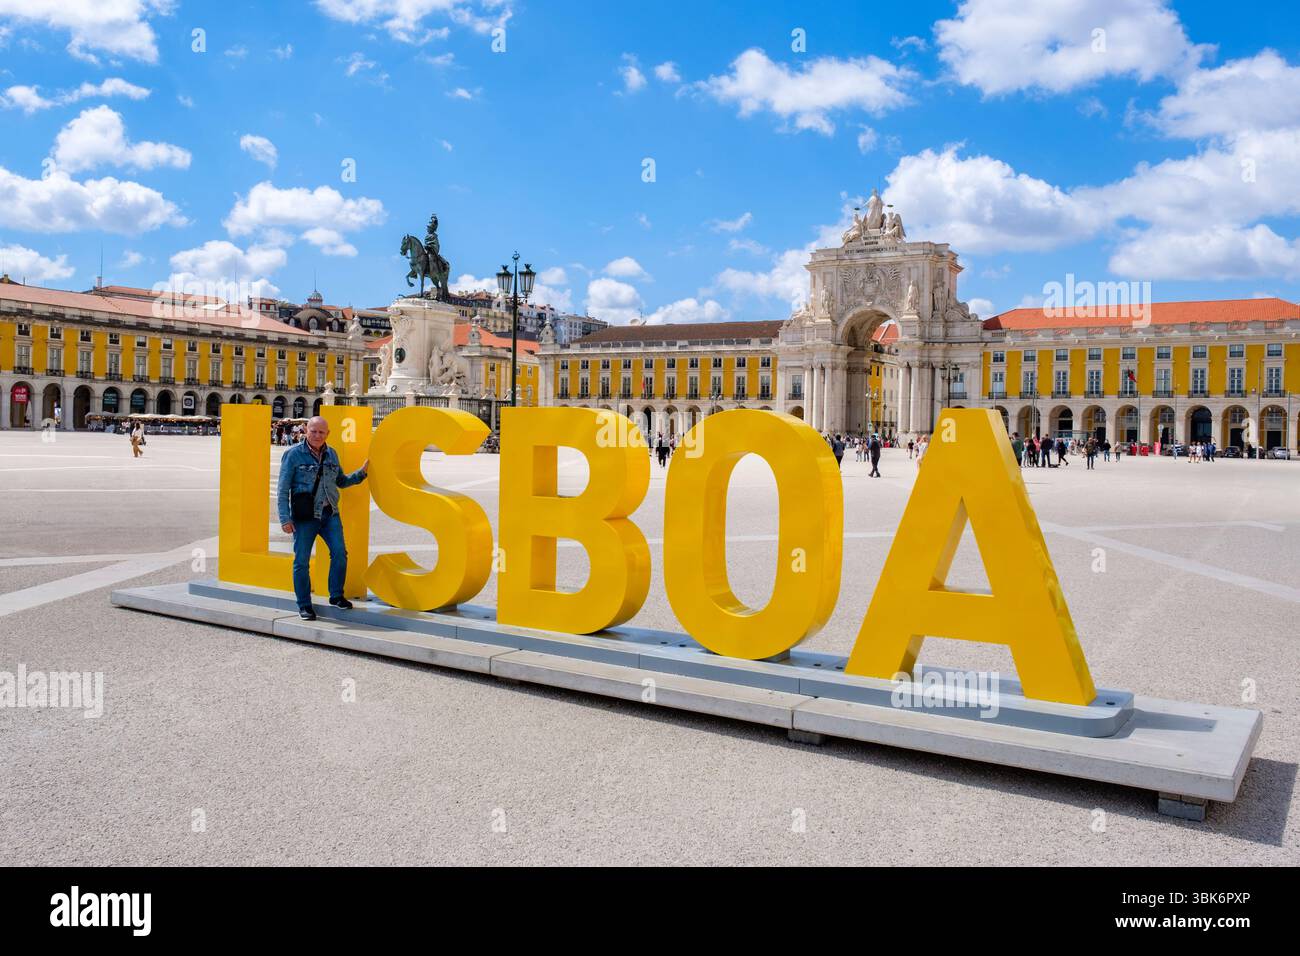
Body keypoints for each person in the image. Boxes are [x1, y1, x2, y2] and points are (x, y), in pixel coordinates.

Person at [277, 416, 369, 621]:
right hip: (305, 517)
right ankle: (304, 605)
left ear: (327, 434)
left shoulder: (332, 453)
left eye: (321, 432)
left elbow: (341, 482)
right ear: (306, 431)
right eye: (313, 431)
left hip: (330, 514)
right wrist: (285, 518)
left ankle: (336, 595)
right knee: (301, 561)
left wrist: (361, 474)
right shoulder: (293, 455)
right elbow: (283, 489)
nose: (317, 435)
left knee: (340, 554)